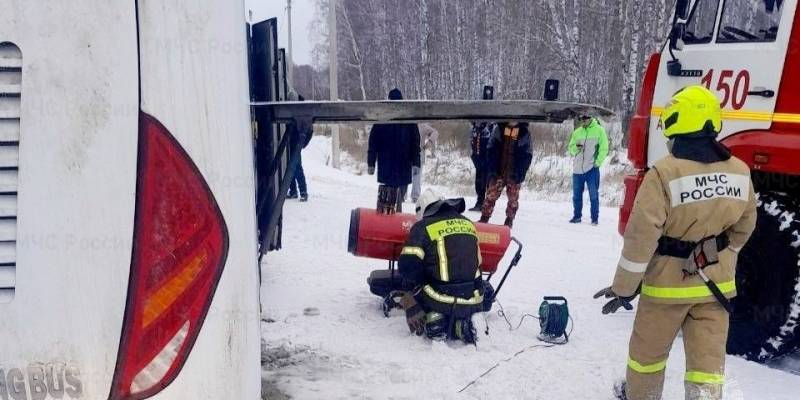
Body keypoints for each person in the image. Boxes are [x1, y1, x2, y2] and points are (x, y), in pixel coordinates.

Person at [594, 86, 756, 400]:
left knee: (647, 360)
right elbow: (745, 227)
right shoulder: (740, 171)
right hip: (715, 289)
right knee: (707, 366)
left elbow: (641, 239)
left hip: (665, 291)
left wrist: (624, 288)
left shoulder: (663, 174)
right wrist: (722, 255)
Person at [396, 189, 484, 344]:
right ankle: (461, 323)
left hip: (439, 299)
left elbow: (406, 267)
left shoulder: (422, 227)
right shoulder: (468, 223)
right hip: (474, 298)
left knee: (411, 284)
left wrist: (415, 288)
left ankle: (435, 320)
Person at [367, 88, 421, 213]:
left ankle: (386, 217)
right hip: (401, 164)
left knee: (388, 195)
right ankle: (392, 218)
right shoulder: (407, 119)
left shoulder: (384, 118)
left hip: (389, 164)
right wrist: (416, 162)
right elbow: (415, 143)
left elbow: (373, 142)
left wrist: (371, 162)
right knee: (397, 195)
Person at [478, 121, 533, 228]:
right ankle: (484, 218)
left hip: (514, 173)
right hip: (498, 172)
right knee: (490, 196)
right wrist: (492, 169)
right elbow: (490, 149)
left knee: (513, 199)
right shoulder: (499, 129)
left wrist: (521, 173)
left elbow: (528, 154)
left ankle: (509, 220)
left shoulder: (524, 132)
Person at [568, 114, 608, 225]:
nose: (583, 120)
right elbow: (570, 149)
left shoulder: (599, 130)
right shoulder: (577, 132)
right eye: (581, 118)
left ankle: (594, 219)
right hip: (577, 170)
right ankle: (577, 217)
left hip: (592, 169)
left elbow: (604, 148)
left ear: (591, 118)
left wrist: (598, 163)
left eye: (585, 118)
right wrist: (576, 148)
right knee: (576, 196)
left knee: (593, 195)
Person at [469, 85, 496, 212]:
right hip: (478, 152)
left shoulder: (493, 120)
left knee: (487, 179)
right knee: (480, 178)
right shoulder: (477, 114)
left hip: (488, 153)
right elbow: (472, 123)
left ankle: (485, 203)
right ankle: (480, 201)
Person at [287, 94, 313, 201]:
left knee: (296, 168)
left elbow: (310, 130)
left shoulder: (301, 113)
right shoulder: (298, 111)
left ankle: (303, 192)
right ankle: (294, 191)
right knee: (291, 168)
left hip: (295, 143)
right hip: (292, 143)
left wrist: (302, 144)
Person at [410, 123, 439, 203]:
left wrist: (429, 142)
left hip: (419, 152)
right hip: (406, 152)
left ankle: (415, 196)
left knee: (417, 175)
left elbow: (435, 132)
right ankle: (401, 195)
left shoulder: (422, 126)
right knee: (405, 173)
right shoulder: (406, 124)